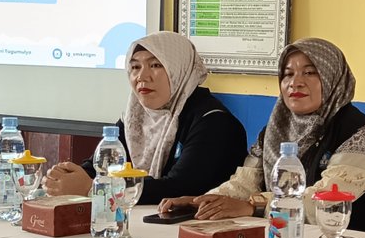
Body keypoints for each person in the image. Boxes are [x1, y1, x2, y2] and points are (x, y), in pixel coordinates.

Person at [159, 38, 365, 235]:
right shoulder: (275, 130)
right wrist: (202, 201)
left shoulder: (362, 135)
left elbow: (325, 203)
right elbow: (244, 183)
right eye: (287, 74)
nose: (295, 83)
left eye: (310, 72)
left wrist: (253, 206)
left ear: (333, 77)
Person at [44, 31, 247, 206]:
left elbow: (180, 187)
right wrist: (66, 177)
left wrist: (96, 189)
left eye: (155, 65)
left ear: (179, 70)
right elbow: (99, 168)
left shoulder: (214, 122)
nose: (142, 76)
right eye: (135, 67)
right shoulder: (134, 118)